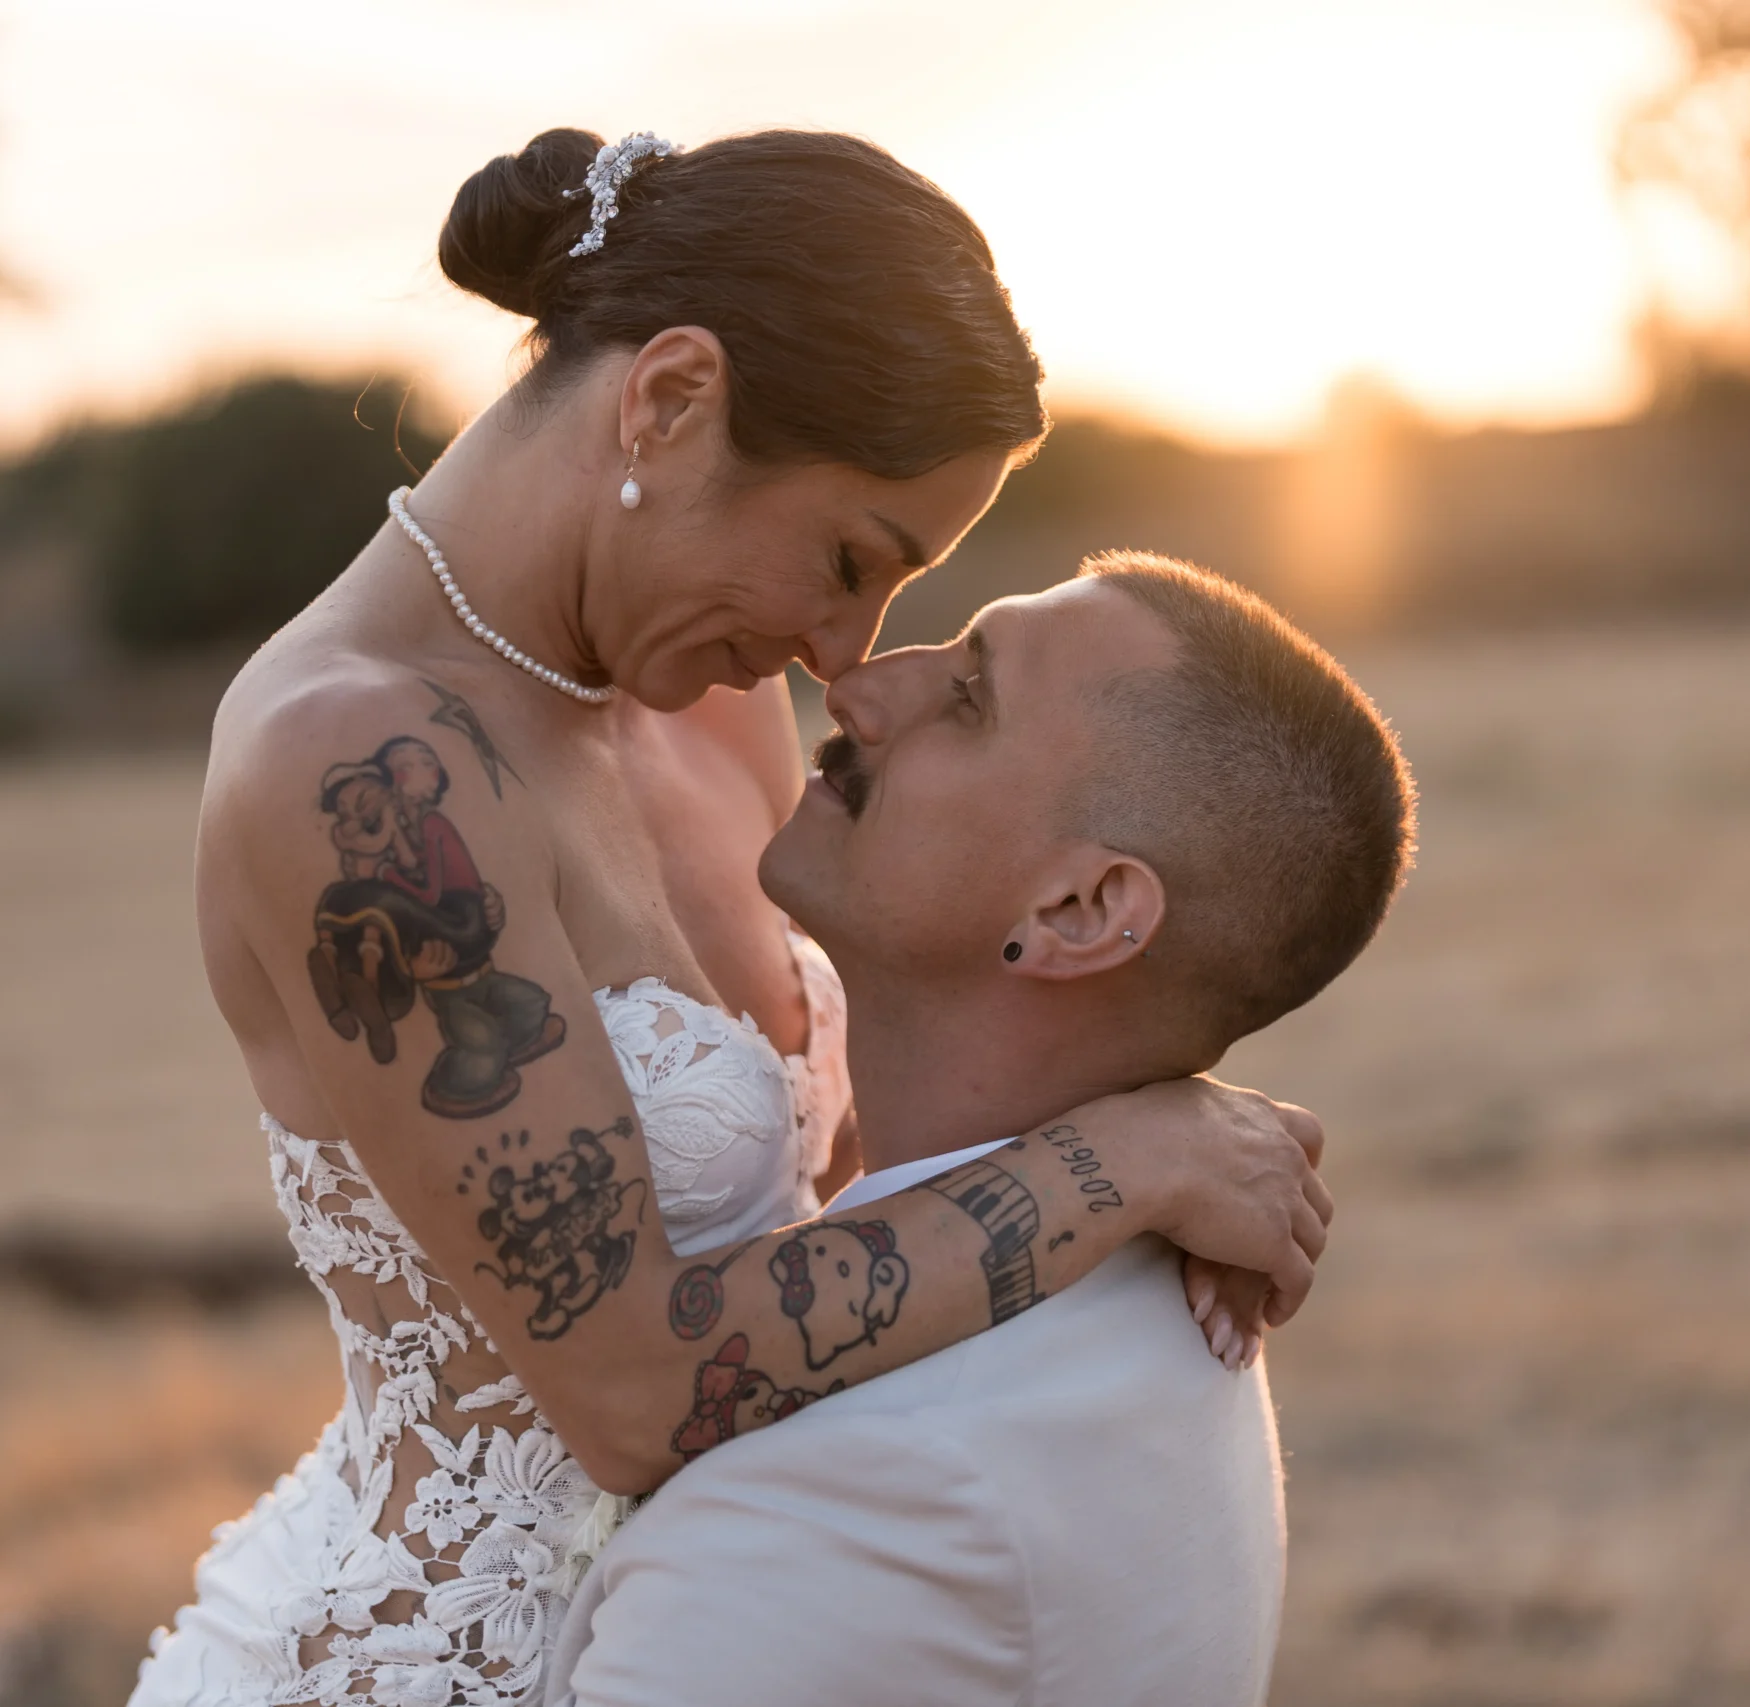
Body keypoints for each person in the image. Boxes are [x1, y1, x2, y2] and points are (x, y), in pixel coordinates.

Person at [139, 128, 1331, 1707]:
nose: (846, 652)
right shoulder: (365, 766)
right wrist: (1119, 1160)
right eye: (849, 558)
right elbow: (633, 1385)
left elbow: (824, 1191)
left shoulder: (700, 691)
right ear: (672, 399)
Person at [544, 554, 1417, 1707]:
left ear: (1080, 913)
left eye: (966, 696)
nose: (856, 688)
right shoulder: (1143, 1289)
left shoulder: (851, 1496)